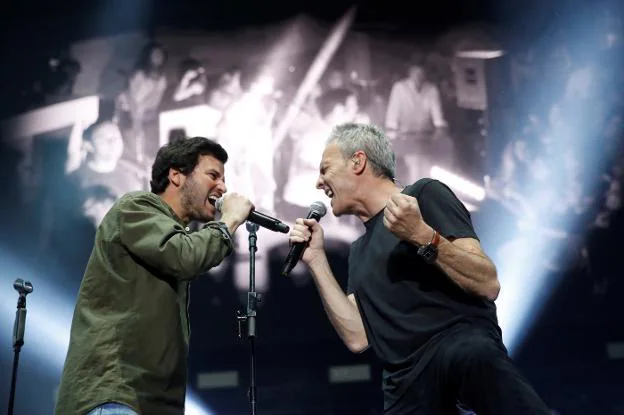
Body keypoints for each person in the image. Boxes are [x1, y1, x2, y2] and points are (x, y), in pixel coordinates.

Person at [288, 123, 551, 414]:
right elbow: (357, 337)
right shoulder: (359, 252)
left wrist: (422, 235)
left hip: (460, 351)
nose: (318, 183)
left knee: (476, 359)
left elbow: (487, 283)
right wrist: (316, 261)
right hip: (407, 386)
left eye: (325, 169)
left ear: (358, 161)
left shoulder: (424, 195)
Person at [55, 136, 254, 415]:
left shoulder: (177, 236)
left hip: (150, 403)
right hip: (116, 395)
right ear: (176, 175)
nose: (222, 187)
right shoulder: (135, 207)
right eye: (213, 175)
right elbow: (186, 256)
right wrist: (229, 220)